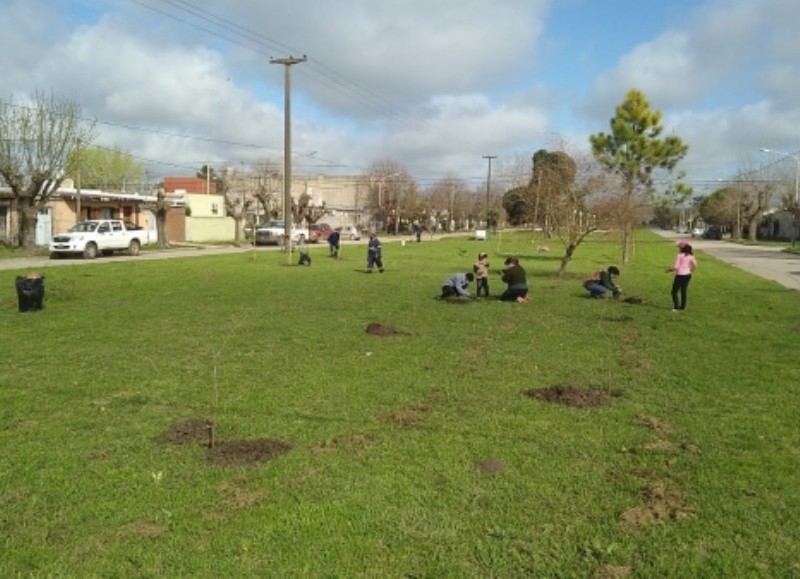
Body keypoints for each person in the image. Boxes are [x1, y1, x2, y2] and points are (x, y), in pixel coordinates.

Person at [667, 241, 697, 311]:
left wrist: (669, 270)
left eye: (679, 247)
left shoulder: (679, 256)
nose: (678, 248)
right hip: (687, 275)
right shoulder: (691, 256)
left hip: (680, 275)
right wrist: (691, 271)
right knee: (684, 291)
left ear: (682, 248)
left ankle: (676, 307)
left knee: (674, 291)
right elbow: (695, 265)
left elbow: (676, 267)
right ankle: (683, 307)